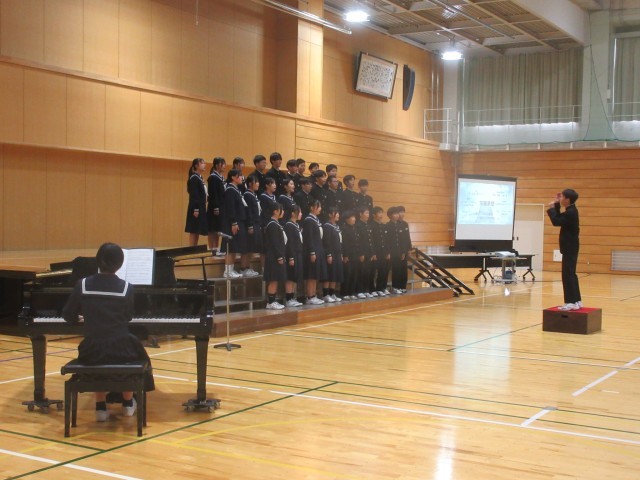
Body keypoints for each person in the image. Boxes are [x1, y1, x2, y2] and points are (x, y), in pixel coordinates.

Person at [62, 242, 155, 422]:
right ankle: (128, 403)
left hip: (91, 350)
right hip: (120, 348)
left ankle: (100, 407)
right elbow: (128, 317)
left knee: (99, 353)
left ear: (97, 261)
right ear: (120, 264)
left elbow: (68, 315)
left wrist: (83, 318)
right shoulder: (127, 287)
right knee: (134, 352)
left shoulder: (82, 284)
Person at [547, 189, 582, 311]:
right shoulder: (571, 210)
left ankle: (571, 302)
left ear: (567, 199)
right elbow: (559, 218)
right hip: (571, 246)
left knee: (567, 274)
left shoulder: (571, 212)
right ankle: (576, 300)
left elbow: (556, 221)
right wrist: (557, 204)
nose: (561, 199)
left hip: (569, 246)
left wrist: (552, 208)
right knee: (571, 274)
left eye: (562, 197)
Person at [222, 169, 248, 278]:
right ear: (233, 177)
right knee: (230, 247)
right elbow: (230, 208)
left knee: (234, 247)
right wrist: (233, 222)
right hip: (232, 222)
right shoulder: (230, 190)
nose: (242, 178)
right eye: (239, 176)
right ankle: (227, 271)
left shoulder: (236, 189)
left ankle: (231, 270)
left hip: (238, 221)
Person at [302, 199, 327, 305]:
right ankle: (310, 296)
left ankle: (314, 295)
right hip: (312, 251)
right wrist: (312, 252)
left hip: (318, 249)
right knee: (311, 275)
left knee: (315, 274)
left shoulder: (316, 220)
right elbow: (309, 238)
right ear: (312, 207)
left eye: (320, 206)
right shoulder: (308, 220)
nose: (320, 208)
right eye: (318, 206)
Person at [263, 202, 287, 310]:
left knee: (276, 279)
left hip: (276, 256)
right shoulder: (272, 224)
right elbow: (274, 243)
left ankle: (273, 300)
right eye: (281, 209)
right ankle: (270, 302)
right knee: (273, 279)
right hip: (273, 257)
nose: (283, 212)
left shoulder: (276, 224)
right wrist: (279, 256)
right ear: (275, 211)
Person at [241, 174, 262, 277]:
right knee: (247, 247)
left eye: (258, 182)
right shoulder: (247, 195)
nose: (258, 184)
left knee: (252, 247)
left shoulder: (254, 194)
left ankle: (248, 267)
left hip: (256, 223)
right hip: (251, 224)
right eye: (255, 182)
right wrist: (250, 225)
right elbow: (248, 211)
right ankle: (243, 268)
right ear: (250, 184)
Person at [322, 206, 344, 303]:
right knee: (329, 274)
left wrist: (341, 253)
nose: (338, 215)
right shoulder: (327, 226)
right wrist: (329, 254)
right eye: (336, 213)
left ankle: (332, 293)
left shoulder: (337, 226)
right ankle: (325, 294)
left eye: (338, 213)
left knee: (335, 274)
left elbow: (340, 241)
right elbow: (326, 242)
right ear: (330, 215)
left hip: (338, 253)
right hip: (331, 253)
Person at [284, 205, 304, 307]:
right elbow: (290, 243)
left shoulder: (296, 225)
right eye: (299, 212)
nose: (301, 214)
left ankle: (293, 297)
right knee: (290, 277)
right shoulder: (289, 225)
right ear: (293, 213)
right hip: (292, 254)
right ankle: (288, 299)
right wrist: (291, 257)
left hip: (298, 253)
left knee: (295, 276)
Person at [185, 158, 208, 246]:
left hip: (200, 206)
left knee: (197, 230)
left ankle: (194, 249)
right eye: (202, 163)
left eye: (204, 163)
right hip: (196, 207)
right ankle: (191, 249)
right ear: (196, 165)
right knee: (193, 229)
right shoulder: (194, 178)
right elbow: (194, 195)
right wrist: (196, 209)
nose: (204, 165)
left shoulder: (199, 177)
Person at [207, 157, 226, 252]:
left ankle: (216, 248)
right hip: (214, 207)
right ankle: (211, 249)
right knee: (212, 229)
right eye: (222, 164)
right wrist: (216, 207)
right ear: (217, 165)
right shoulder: (213, 177)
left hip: (221, 206)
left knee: (217, 229)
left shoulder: (220, 177)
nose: (224, 166)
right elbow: (213, 194)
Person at [370, 206, 390, 296]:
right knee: (373, 272)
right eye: (379, 213)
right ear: (374, 215)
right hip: (376, 253)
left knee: (384, 271)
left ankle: (382, 288)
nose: (381, 215)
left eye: (381, 212)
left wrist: (388, 252)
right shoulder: (371, 226)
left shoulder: (383, 225)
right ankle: (372, 289)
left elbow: (387, 240)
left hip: (383, 252)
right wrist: (373, 253)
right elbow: (371, 241)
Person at [340, 210, 360, 300]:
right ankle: (345, 293)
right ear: (347, 219)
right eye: (352, 217)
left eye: (354, 217)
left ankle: (351, 292)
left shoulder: (354, 228)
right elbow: (344, 243)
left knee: (354, 274)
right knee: (347, 274)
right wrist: (345, 255)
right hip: (348, 255)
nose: (354, 219)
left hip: (355, 254)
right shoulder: (344, 228)